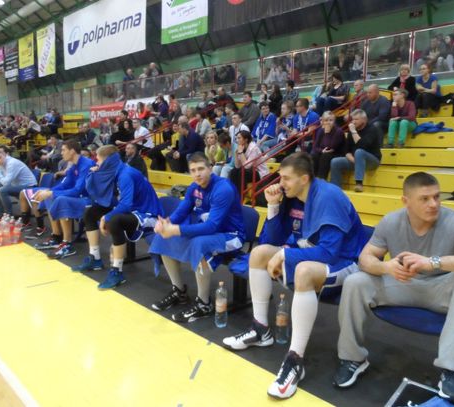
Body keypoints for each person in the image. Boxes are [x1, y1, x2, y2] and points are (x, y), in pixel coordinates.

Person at [334, 172, 454, 404]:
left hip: (443, 287)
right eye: (424, 199)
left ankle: (453, 372)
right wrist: (385, 267)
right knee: (355, 281)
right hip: (404, 283)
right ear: (406, 201)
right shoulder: (391, 221)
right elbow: (365, 258)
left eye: (436, 197)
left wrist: (433, 262)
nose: (433, 204)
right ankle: (353, 358)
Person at [222, 152, 368, 400]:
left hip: (346, 262)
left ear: (304, 178)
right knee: (258, 254)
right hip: (313, 255)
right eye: (280, 177)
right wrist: (273, 206)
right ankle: (261, 330)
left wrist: (285, 255)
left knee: (303, 270)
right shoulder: (292, 197)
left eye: (286, 178)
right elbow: (271, 240)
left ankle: (295, 360)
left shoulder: (328, 197)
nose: (281, 183)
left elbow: (330, 253)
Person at [149, 152, 245, 322]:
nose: (197, 174)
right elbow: (181, 212)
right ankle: (179, 291)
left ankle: (204, 304)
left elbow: (212, 226)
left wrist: (176, 229)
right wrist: (166, 223)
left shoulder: (223, 189)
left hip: (231, 235)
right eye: (193, 170)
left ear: (210, 168)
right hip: (211, 232)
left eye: (201, 169)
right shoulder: (194, 187)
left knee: (199, 244)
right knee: (164, 237)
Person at [72, 145, 163, 290]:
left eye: (99, 160)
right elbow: (100, 191)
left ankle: (117, 271)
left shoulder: (126, 174)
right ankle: (95, 258)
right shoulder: (116, 170)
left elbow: (126, 204)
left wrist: (105, 217)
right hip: (133, 210)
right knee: (90, 213)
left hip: (148, 214)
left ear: (108, 161)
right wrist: (94, 173)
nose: (96, 163)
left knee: (114, 220)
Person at [22, 140, 95, 257]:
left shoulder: (86, 164)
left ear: (72, 151)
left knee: (61, 199)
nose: (61, 153)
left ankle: (67, 243)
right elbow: (65, 185)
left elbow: (78, 190)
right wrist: (49, 191)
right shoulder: (74, 165)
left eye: (63, 150)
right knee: (50, 196)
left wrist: (52, 193)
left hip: (90, 200)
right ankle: (56, 237)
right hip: (79, 197)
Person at [330, 109, 381, 192]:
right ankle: (335, 189)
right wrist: (355, 160)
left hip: (372, 161)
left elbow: (363, 146)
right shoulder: (352, 131)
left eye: (356, 119)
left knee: (359, 152)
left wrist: (354, 132)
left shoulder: (372, 129)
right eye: (352, 119)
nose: (353, 122)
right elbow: (346, 151)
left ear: (364, 120)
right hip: (356, 160)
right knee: (335, 162)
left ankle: (359, 183)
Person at [0, 147, 37, 217]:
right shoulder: (1, 164)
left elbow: (6, 183)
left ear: (4, 154)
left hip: (29, 186)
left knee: (2, 190)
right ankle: (0, 213)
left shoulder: (12, 163)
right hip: (17, 185)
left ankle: (8, 215)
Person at [229, 130, 269, 196]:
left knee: (242, 172)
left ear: (246, 140)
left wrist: (241, 152)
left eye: (239, 138)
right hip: (250, 171)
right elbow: (237, 166)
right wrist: (236, 154)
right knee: (233, 171)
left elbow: (247, 166)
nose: (237, 140)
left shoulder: (254, 148)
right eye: (236, 138)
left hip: (260, 172)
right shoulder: (241, 147)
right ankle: (233, 194)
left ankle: (241, 196)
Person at [311, 111, 346, 179]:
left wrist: (327, 133)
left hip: (337, 153)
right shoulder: (321, 130)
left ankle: (321, 179)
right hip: (325, 152)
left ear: (334, 121)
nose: (328, 122)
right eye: (326, 120)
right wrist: (322, 151)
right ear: (323, 121)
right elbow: (315, 147)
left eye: (331, 120)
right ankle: (313, 178)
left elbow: (331, 147)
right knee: (314, 155)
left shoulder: (339, 131)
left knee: (325, 156)